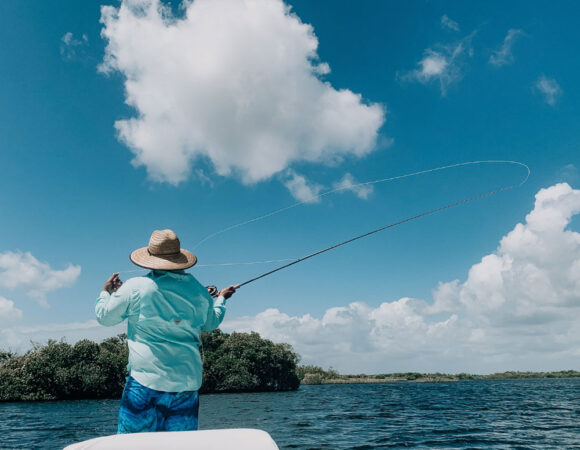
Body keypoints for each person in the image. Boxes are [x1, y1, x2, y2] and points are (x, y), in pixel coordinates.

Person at [95, 229, 238, 434]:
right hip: (186, 386)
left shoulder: (135, 287)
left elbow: (104, 316)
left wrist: (106, 292)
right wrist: (221, 299)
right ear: (179, 258)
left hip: (144, 384)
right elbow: (210, 323)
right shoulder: (198, 290)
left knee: (131, 448)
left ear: (150, 257)